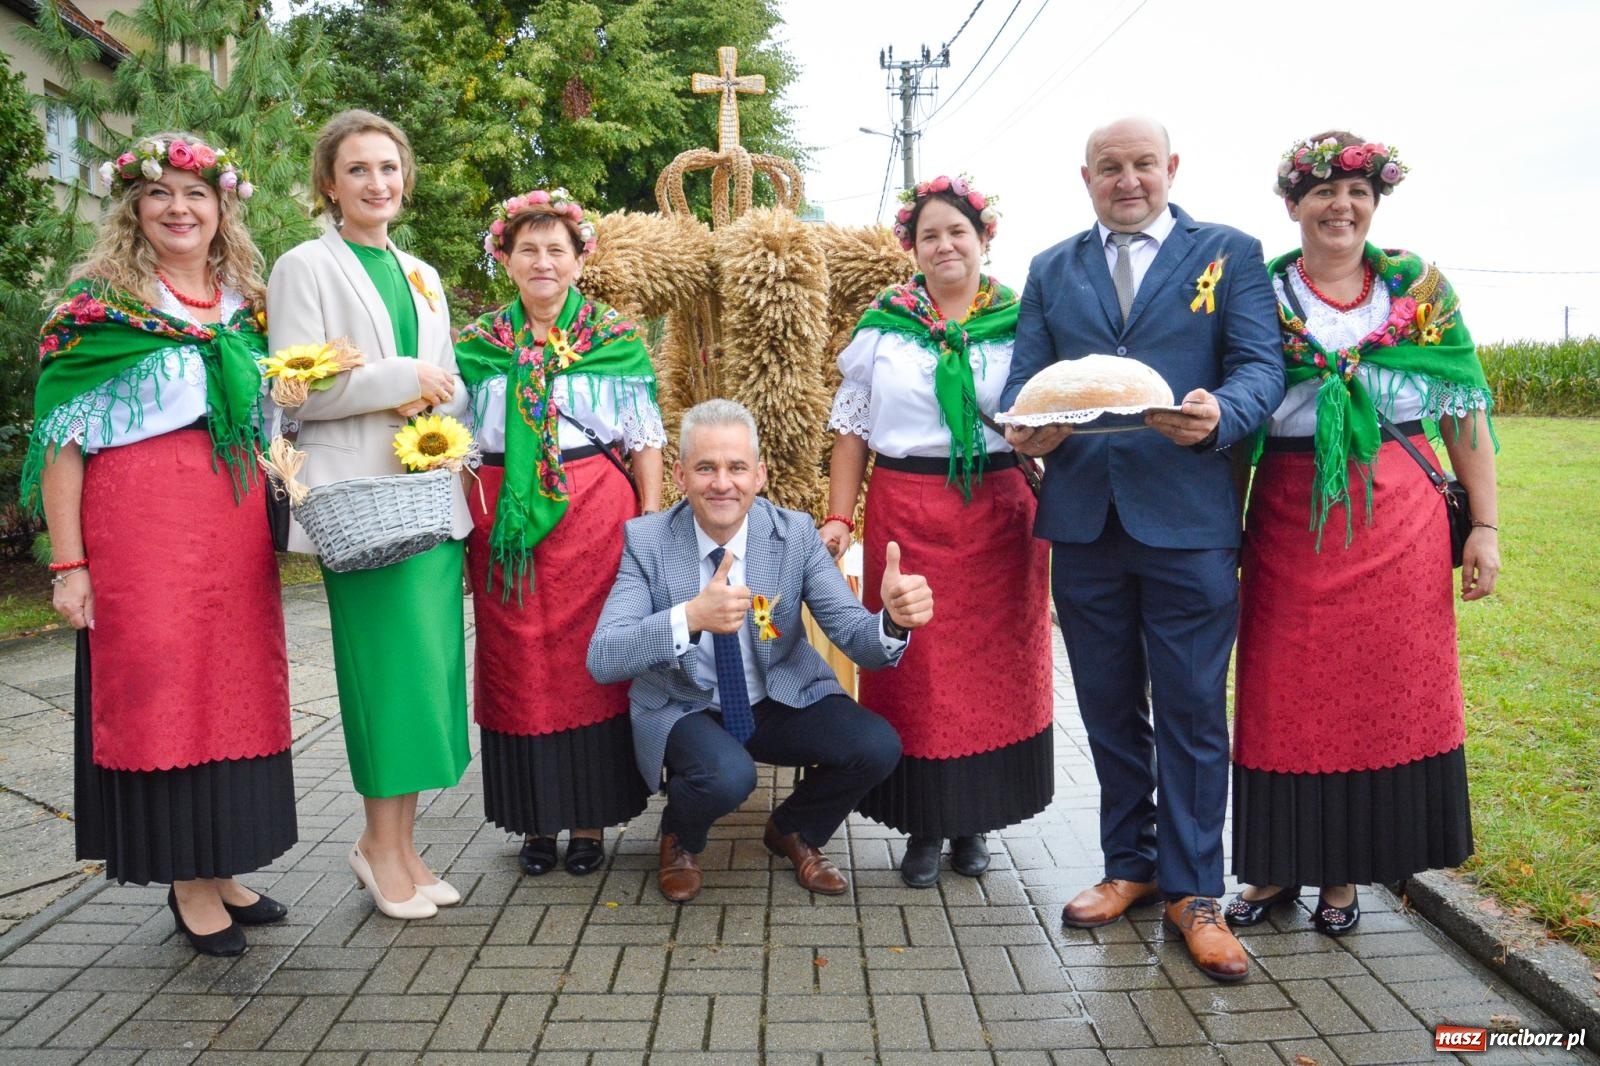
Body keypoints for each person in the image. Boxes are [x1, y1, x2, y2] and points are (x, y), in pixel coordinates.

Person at [1001, 117, 1284, 982]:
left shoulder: (1228, 252)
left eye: (1143, 165)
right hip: (1085, 522)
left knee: (1194, 708)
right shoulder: (1053, 267)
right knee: (1110, 706)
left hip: (1189, 519)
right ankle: (1131, 863)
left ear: (1172, 169)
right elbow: (1025, 382)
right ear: (1085, 176)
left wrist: (1219, 417)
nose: (1129, 181)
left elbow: (1259, 369)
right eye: (1111, 168)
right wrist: (1026, 435)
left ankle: (1196, 891)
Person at [24, 132, 293, 956]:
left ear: (222, 209)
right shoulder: (95, 312)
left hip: (233, 521)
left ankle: (223, 864)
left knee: (235, 685)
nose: (180, 208)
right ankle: (186, 882)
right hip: (137, 527)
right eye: (161, 194)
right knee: (165, 691)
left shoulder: (247, 305)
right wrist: (69, 567)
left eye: (196, 195)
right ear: (134, 209)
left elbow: (271, 413)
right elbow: (62, 446)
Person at [1225, 133, 1499, 937]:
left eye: (1357, 194)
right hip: (1289, 517)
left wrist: (1483, 525)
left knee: (1376, 694)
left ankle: (1344, 876)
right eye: (1322, 192)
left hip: (1399, 519)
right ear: (1292, 205)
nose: (1340, 207)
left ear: (1376, 204)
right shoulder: (1261, 294)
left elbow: (1462, 407)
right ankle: (1275, 868)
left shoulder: (1421, 291)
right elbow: (1239, 414)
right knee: (1281, 696)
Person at [587, 399, 933, 903]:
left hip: (779, 697)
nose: (721, 483)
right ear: (680, 475)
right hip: (689, 705)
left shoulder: (795, 537)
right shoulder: (648, 541)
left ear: (760, 475)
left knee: (876, 746)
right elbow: (604, 656)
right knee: (728, 777)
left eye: (736, 467)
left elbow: (855, 635)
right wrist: (690, 618)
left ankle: (794, 829)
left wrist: (893, 622)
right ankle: (679, 837)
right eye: (705, 468)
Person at [267, 110, 471, 920]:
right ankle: (374, 850)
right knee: (385, 681)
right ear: (329, 183)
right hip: (358, 505)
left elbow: (442, 375)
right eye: (358, 170)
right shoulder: (304, 267)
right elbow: (298, 391)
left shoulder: (422, 272)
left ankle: (403, 846)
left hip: (427, 497)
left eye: (389, 168)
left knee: (427, 681)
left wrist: (437, 395)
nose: (377, 183)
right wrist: (402, 378)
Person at [821, 174, 1052, 888]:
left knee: (989, 666)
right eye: (930, 235)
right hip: (908, 511)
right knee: (917, 666)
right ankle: (924, 822)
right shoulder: (883, 329)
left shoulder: (1023, 321)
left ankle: (974, 818)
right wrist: (838, 514)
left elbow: (1052, 420)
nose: (945, 244)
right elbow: (852, 431)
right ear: (911, 248)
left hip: (998, 510)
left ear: (985, 238)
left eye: (958, 231)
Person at [456, 187, 663, 877]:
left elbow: (644, 440)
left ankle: (589, 822)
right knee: (519, 668)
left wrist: (651, 526)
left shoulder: (613, 340)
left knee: (593, 665)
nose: (542, 262)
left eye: (556, 250)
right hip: (507, 528)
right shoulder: (479, 347)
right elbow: (457, 443)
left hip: (597, 521)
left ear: (579, 260)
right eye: (527, 250)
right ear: (505, 261)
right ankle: (534, 822)